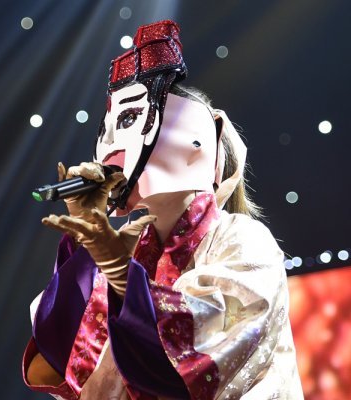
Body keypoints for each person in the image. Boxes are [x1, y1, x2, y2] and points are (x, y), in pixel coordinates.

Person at [22, 20, 303, 399]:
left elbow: (184, 365)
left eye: (128, 120)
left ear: (196, 144)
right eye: (106, 130)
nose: (111, 146)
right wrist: (86, 239)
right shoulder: (129, 254)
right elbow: (60, 363)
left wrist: (120, 272)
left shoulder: (244, 240)